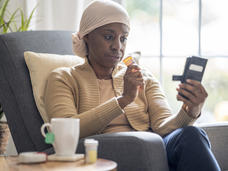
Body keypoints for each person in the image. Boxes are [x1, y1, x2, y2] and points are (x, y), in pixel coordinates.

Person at [44, 0, 220, 170]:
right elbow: (64, 132)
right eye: (108, 37)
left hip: (152, 152)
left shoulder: (142, 77)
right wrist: (123, 100)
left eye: (123, 38)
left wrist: (191, 110)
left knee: (191, 134)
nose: (117, 46)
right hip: (101, 153)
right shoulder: (63, 78)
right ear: (87, 36)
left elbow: (163, 126)